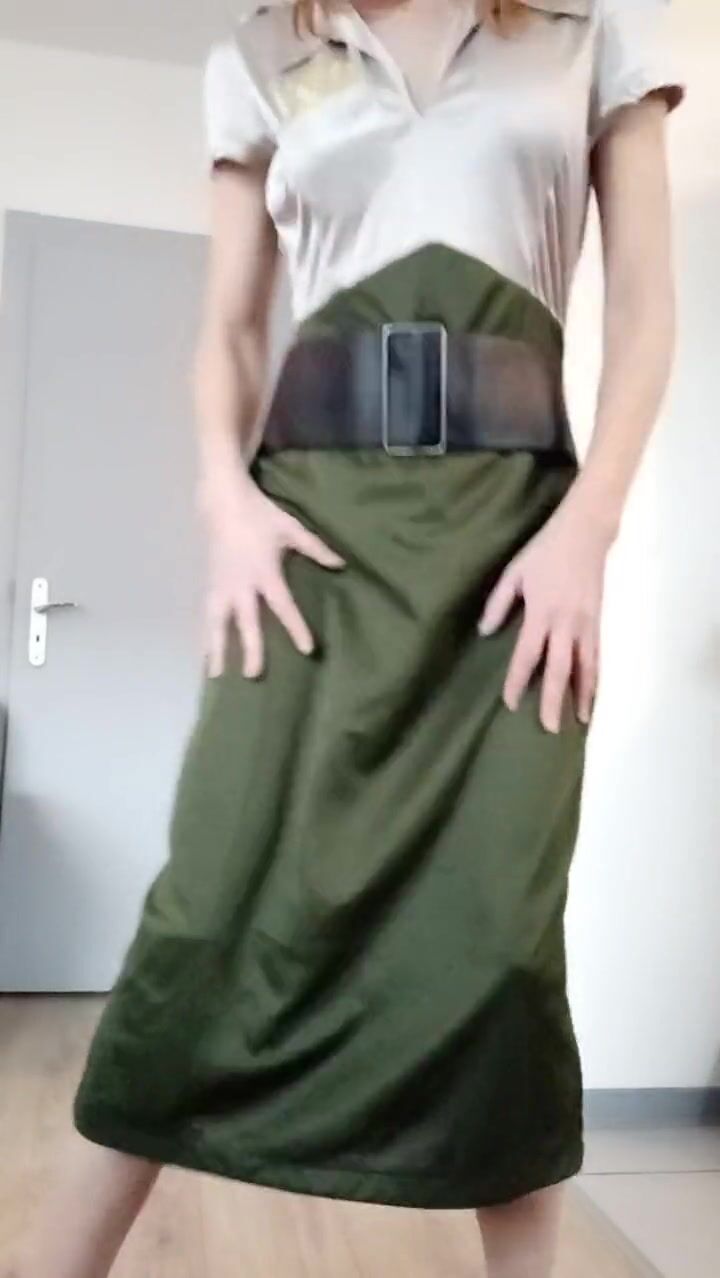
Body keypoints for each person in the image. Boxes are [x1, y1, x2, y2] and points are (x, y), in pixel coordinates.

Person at [24, 2, 683, 1276]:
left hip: (515, 552)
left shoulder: (589, 37)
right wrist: (226, 502)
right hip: (308, 543)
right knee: (205, 911)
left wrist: (587, 531)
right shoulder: (263, 52)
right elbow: (229, 327)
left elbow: (649, 312)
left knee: (498, 944)